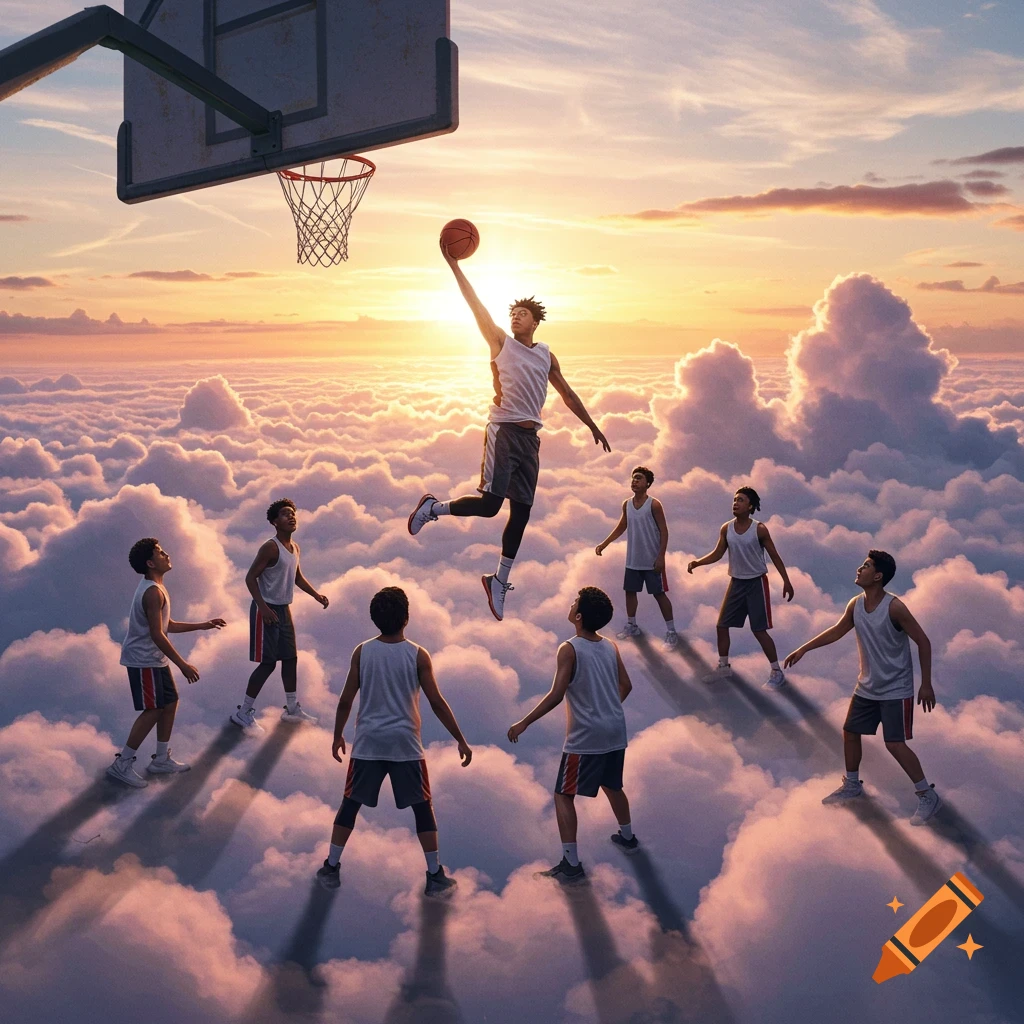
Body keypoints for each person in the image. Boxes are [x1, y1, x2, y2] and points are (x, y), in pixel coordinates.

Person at [407, 245, 611, 622]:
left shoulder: (547, 354)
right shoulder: (500, 342)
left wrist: (592, 425)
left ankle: (499, 580)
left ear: (535, 322)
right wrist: (454, 265)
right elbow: (475, 305)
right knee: (489, 506)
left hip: (531, 440)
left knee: (522, 513)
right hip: (503, 430)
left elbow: (567, 394)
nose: (516, 317)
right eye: (513, 313)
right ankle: (432, 508)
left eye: (523, 314)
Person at [316, 586, 473, 896]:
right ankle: (434, 875)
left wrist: (337, 734)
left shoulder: (362, 651)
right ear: (407, 618)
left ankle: (332, 867)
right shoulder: (417, 655)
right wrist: (460, 739)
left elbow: (347, 699)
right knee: (422, 807)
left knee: (350, 804)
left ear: (375, 619)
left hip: (369, 743)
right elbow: (437, 703)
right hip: (405, 744)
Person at [784, 550, 941, 825]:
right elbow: (836, 630)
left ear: (878, 576)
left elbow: (924, 642)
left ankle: (927, 795)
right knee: (850, 731)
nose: (859, 568)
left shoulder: (895, 608)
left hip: (895, 689)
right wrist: (803, 649)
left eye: (866, 566)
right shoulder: (856, 604)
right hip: (867, 686)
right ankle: (853, 785)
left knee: (894, 743)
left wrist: (926, 684)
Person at [508, 587, 636, 884]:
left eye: (574, 602)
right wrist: (606, 708)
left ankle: (571, 864)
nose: (570, 603)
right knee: (612, 784)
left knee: (563, 794)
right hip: (616, 729)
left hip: (586, 736)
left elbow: (556, 695)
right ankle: (627, 837)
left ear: (577, 616)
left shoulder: (570, 648)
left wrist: (524, 722)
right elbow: (626, 686)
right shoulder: (610, 646)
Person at [109, 538, 225, 788]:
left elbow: (166, 625)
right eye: (160, 553)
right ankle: (122, 764)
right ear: (151, 563)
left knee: (170, 702)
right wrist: (183, 665)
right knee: (153, 710)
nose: (166, 554)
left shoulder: (157, 587)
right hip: (143, 661)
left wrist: (204, 624)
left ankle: (160, 759)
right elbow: (157, 634)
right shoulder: (152, 592)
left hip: (154, 659)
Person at [231, 498, 329, 735]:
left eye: (293, 513)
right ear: (275, 522)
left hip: (284, 609)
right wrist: (263, 608)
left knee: (290, 658)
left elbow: (296, 577)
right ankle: (243, 712)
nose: (291, 517)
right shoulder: (270, 547)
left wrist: (316, 595)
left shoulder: (294, 547)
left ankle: (292, 708)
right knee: (267, 664)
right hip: (266, 609)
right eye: (285, 514)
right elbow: (250, 578)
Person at [686, 487, 794, 689]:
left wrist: (786, 581)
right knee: (722, 626)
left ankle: (776, 671)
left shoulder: (759, 529)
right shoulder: (726, 529)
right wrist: (697, 562)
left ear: (750, 506)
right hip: (736, 583)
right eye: (735, 499)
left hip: (756, 583)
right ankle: (724, 666)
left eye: (741, 500)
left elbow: (774, 556)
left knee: (759, 630)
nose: (735, 503)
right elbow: (718, 553)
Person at [595, 465, 677, 650]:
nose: (634, 481)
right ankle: (632, 625)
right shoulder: (627, 504)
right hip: (633, 559)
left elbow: (664, 531)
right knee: (630, 592)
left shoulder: (654, 505)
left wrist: (661, 556)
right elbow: (621, 526)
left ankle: (671, 631)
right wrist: (604, 543)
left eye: (638, 478)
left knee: (659, 594)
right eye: (633, 478)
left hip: (652, 559)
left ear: (647, 483)